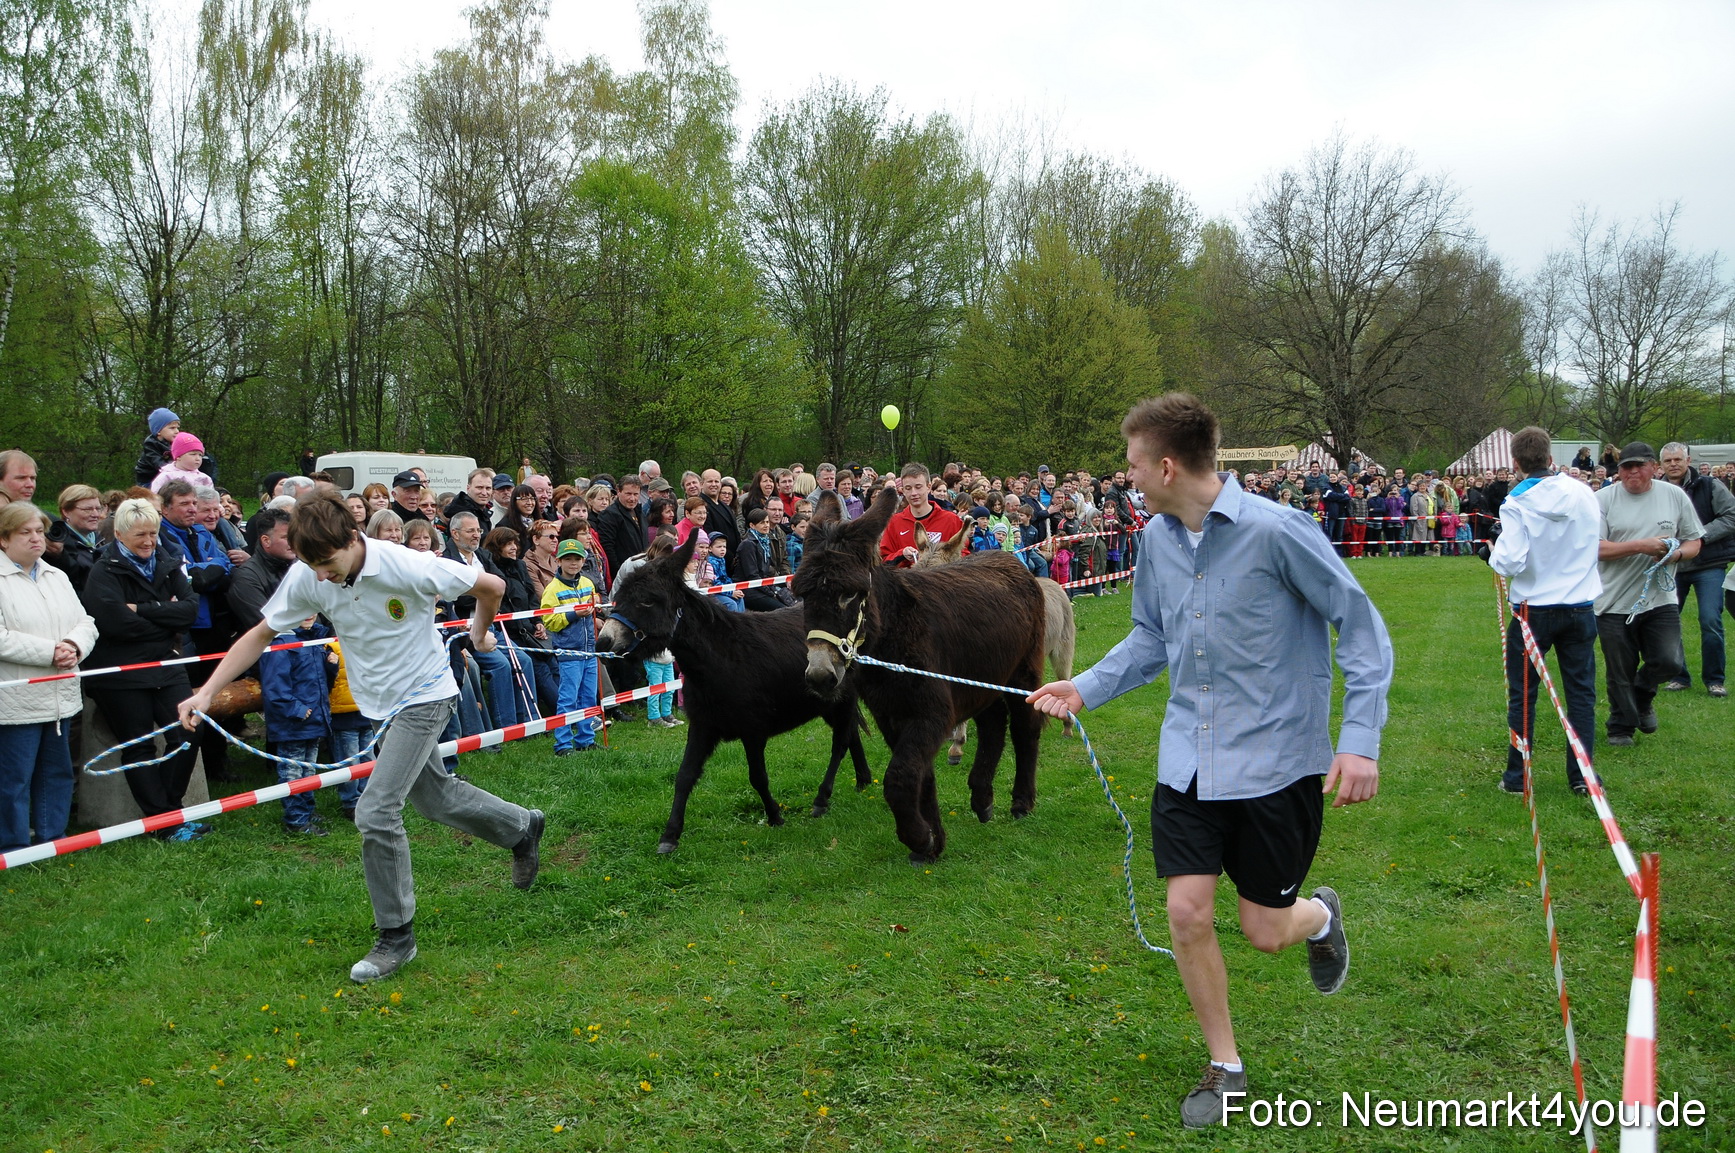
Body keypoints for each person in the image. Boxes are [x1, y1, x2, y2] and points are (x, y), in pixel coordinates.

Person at [1027, 394, 1390, 1129]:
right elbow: (1147, 640)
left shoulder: (1279, 531)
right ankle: (1225, 1064)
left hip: (1275, 767)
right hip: (1187, 762)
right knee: (1186, 911)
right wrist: (1084, 686)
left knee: (1262, 927)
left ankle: (1319, 917)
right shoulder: (1157, 541)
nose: (1127, 478)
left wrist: (1359, 738)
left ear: (1165, 464)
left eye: (1131, 464)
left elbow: (1360, 627)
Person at [178, 490, 545, 982]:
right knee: (435, 799)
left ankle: (397, 936)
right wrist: (207, 692)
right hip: (378, 704)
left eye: (329, 563)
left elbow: (492, 585)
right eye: (314, 566)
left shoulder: (407, 566)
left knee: (376, 810)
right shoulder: (311, 573)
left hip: (427, 693)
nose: (323, 577)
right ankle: (522, 828)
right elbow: (262, 633)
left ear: (354, 537)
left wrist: (480, 636)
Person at [80, 498, 210, 841]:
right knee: (138, 745)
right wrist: (164, 621)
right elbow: (114, 623)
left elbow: (189, 612)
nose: (149, 541)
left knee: (189, 732)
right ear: (120, 534)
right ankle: (164, 823)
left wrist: (141, 609)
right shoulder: (103, 571)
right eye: (140, 535)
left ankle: (168, 811)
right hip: (119, 673)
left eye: (153, 533)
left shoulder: (168, 560)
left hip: (167, 665)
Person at [1484, 427, 1602, 795]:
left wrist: (1492, 552)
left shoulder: (1516, 502)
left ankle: (1518, 777)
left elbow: (1510, 561)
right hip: (1579, 605)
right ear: (1551, 459)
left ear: (1515, 464)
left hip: (1534, 609)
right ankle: (1582, 777)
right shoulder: (1584, 493)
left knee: (1524, 694)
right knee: (1580, 693)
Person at [0, 503, 98, 852]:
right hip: (14, 700)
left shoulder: (56, 576)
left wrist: (73, 645)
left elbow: (85, 621)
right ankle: (11, 846)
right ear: (4, 539)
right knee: (14, 779)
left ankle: (52, 838)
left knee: (56, 773)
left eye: (39, 531)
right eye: (25, 532)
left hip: (60, 695)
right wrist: (50, 652)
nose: (35, 538)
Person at [1596, 443, 1703, 745]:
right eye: (1625, 466)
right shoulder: (1602, 499)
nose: (1632, 471)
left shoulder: (1674, 495)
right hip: (1613, 601)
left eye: (1639, 465)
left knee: (1669, 661)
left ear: (1653, 467)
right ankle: (1621, 727)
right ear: (1618, 470)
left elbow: (1694, 541)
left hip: (1660, 598)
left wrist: (1676, 555)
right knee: (1620, 669)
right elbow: (1595, 548)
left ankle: (1641, 698)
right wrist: (1642, 546)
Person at [1657, 442, 1735, 696]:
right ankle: (1679, 676)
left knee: (1710, 619)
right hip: (1673, 565)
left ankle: (1715, 679)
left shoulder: (1710, 485)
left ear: (1687, 460)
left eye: (1678, 459)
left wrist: (1699, 537)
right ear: (1661, 465)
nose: (1673, 464)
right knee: (1669, 622)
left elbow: (1731, 515)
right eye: (1668, 461)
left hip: (1708, 563)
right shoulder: (1656, 491)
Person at [260, 614, 337, 834]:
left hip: (314, 719)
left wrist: (331, 666)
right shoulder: (280, 643)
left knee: (308, 769)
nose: (308, 615)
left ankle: (307, 811)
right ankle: (295, 819)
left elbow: (322, 682)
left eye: (312, 609)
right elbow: (274, 688)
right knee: (292, 770)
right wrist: (298, 711)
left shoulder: (315, 640)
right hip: (293, 722)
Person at [541, 540, 599, 755]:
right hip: (568, 652)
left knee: (588, 697)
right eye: (568, 559)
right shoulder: (552, 589)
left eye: (577, 559)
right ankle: (563, 744)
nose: (573, 563)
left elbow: (594, 611)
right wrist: (573, 614)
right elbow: (549, 622)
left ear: (583, 561)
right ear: (559, 561)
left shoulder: (587, 584)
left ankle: (585, 739)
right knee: (568, 699)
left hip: (590, 650)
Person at [879, 463, 965, 567]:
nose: (913, 493)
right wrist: (902, 554)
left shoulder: (951, 520)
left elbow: (965, 556)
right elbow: (883, 560)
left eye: (918, 487)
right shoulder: (894, 522)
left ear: (928, 487)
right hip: (905, 581)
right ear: (903, 490)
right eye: (908, 488)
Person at [45, 485, 105, 593]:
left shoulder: (99, 540)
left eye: (98, 508)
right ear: (66, 512)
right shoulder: (60, 545)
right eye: (88, 509)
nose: (96, 514)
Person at [593, 476, 649, 589]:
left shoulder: (640, 513)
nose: (632, 498)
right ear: (618, 491)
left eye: (636, 494)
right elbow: (608, 549)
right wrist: (621, 573)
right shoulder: (609, 515)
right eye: (628, 494)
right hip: (623, 578)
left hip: (642, 573)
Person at [150, 433, 214, 493]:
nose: (198, 458)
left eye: (200, 455)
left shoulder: (205, 478)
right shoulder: (167, 476)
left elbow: (212, 499)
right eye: (193, 454)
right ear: (178, 457)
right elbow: (156, 497)